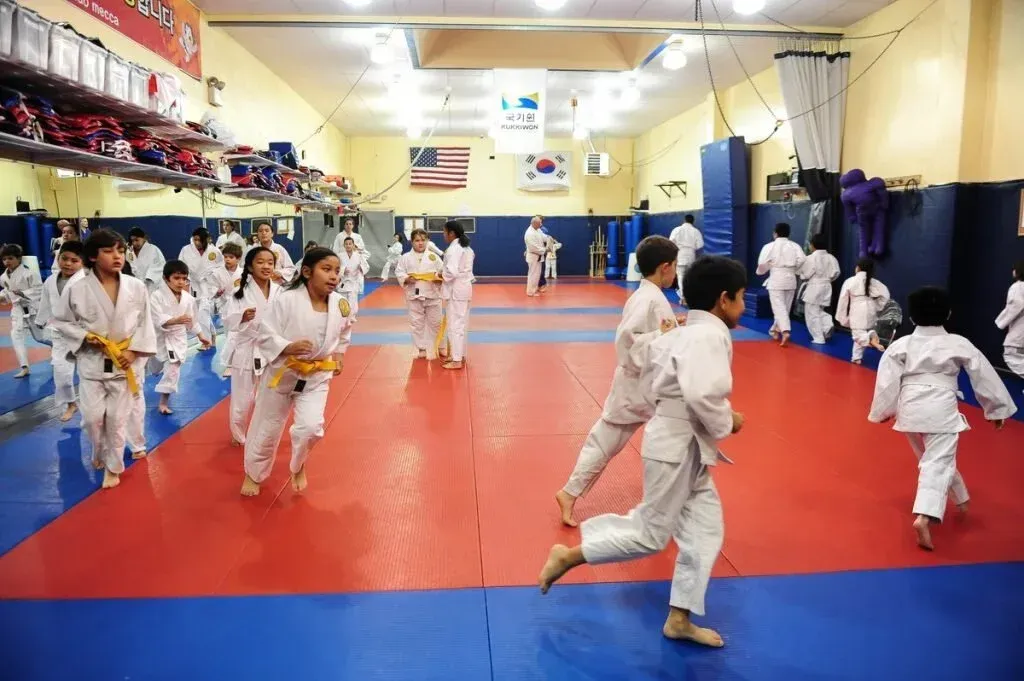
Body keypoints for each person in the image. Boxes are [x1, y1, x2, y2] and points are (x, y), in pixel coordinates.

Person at [539, 255, 747, 649]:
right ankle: (568, 556)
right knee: (651, 535)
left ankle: (680, 617)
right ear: (723, 299)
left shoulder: (679, 334)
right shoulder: (709, 336)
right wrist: (727, 420)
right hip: (675, 446)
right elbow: (704, 393)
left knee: (704, 530)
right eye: (740, 297)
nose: (741, 305)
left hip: (681, 443)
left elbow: (655, 382)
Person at [868, 286, 1016, 550]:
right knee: (937, 461)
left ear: (911, 318)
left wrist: (883, 411)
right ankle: (925, 515)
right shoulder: (958, 343)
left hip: (910, 408)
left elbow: (887, 381)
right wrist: (996, 409)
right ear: (948, 314)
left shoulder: (901, 345)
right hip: (940, 408)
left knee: (934, 459)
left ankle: (961, 497)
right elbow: (983, 375)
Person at [555, 236, 686, 527]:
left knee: (610, 442)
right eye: (675, 266)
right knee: (671, 442)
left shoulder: (651, 296)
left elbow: (650, 334)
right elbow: (628, 345)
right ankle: (667, 507)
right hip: (642, 387)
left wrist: (673, 327)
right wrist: (665, 335)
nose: (676, 272)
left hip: (646, 388)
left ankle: (570, 492)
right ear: (665, 267)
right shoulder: (648, 298)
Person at [241, 247, 354, 497]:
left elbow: (345, 331)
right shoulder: (286, 300)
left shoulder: (341, 304)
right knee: (267, 429)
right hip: (282, 374)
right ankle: (253, 474)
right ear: (306, 272)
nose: (334, 276)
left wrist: (340, 353)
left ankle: (297, 463)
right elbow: (265, 333)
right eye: (326, 270)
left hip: (316, 376)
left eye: (337, 271)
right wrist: (287, 347)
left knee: (311, 428)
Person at [51, 229, 157, 489]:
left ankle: (113, 466)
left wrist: (134, 352)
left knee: (118, 420)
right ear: (93, 256)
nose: (117, 256)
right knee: (92, 419)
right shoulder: (77, 287)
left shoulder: (136, 286)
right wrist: (84, 336)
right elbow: (62, 322)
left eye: (120, 250)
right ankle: (97, 450)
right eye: (109, 251)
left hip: (124, 361)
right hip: (92, 362)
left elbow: (145, 324)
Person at [223, 246, 280, 446]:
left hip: (270, 350)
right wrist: (242, 317)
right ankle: (238, 433)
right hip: (246, 348)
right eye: (260, 262)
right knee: (242, 398)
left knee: (269, 396)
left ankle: (262, 433)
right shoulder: (240, 291)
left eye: (270, 262)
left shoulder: (279, 290)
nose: (266, 266)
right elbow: (227, 321)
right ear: (249, 265)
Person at [151, 260, 211, 415]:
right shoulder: (156, 296)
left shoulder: (188, 299)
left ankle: (163, 402)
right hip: (160, 336)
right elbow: (155, 319)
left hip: (178, 338)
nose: (181, 282)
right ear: (166, 278)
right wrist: (174, 320)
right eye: (177, 278)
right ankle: (156, 369)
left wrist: (201, 336)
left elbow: (192, 320)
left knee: (173, 369)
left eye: (184, 279)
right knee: (156, 367)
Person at [36, 241, 86, 421]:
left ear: (83, 263)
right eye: (64, 259)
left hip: (83, 335)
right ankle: (71, 403)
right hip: (60, 333)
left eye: (74, 261)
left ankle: (91, 404)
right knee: (61, 372)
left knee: (88, 374)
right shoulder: (50, 280)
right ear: (58, 257)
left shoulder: (87, 281)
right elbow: (45, 302)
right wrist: (40, 321)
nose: (68, 264)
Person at [395, 228, 444, 360]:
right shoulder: (405, 258)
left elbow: (443, 271)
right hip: (413, 293)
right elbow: (399, 272)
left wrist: (439, 278)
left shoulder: (434, 257)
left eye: (423, 240)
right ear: (412, 242)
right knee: (417, 323)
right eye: (417, 240)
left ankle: (438, 345)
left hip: (432, 293)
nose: (420, 243)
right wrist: (406, 278)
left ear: (428, 241)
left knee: (436, 321)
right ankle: (421, 348)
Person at [756, 222, 805, 346]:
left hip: (777, 278)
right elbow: (803, 260)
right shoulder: (795, 246)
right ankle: (775, 330)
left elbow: (762, 263)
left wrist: (765, 268)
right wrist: (795, 269)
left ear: (775, 233)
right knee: (785, 308)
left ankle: (785, 331)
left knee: (779, 307)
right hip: (791, 279)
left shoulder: (769, 246)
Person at [1, 243, 43, 378]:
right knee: (16, 336)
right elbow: (7, 295)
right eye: (4, 259)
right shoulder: (3, 277)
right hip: (17, 310)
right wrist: (2, 297)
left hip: (32, 309)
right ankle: (24, 366)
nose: (7, 261)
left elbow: (39, 290)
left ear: (19, 259)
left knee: (40, 337)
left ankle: (59, 346)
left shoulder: (30, 273)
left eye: (10, 258)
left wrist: (23, 293)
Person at [837, 258, 890, 364]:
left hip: (857, 309)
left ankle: (871, 338)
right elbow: (886, 296)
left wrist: (842, 317)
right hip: (871, 309)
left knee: (858, 335)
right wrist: (878, 307)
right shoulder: (875, 282)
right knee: (862, 332)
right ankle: (856, 357)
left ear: (858, 268)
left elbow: (843, 300)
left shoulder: (850, 281)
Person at [178, 227, 224, 344]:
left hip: (209, 285)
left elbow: (221, 268)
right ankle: (212, 334)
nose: (197, 242)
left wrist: (219, 286)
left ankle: (206, 341)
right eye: (195, 240)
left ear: (205, 240)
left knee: (203, 312)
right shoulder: (186, 250)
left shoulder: (214, 251)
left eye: (199, 240)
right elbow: (181, 266)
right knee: (200, 313)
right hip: (194, 285)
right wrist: (184, 283)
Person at [440, 221, 475, 370]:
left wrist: (439, 274)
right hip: (464, 289)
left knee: (455, 325)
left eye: (444, 232)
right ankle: (459, 355)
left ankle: (456, 360)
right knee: (461, 324)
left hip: (455, 290)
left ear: (451, 233)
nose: (443, 235)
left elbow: (451, 272)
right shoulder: (467, 248)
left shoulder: (454, 249)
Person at [798, 233, 841, 345]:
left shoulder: (810, 258)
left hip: (814, 286)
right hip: (827, 286)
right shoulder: (832, 258)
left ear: (812, 245)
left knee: (811, 313)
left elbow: (805, 275)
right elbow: (836, 273)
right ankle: (827, 324)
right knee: (818, 310)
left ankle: (819, 338)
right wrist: (828, 280)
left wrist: (803, 276)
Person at [995, 260, 1024, 383]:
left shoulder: (1018, 286)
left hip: (1018, 334)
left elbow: (1016, 304)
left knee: (1011, 356)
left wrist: (1000, 322)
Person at [668, 215, 704, 304]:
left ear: (684, 220)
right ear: (693, 221)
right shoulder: (696, 231)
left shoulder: (677, 230)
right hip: (691, 255)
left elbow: (670, 242)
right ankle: (690, 296)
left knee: (680, 276)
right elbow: (700, 245)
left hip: (680, 254)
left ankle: (684, 297)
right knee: (690, 277)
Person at [332, 218, 371, 292]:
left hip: (354, 259)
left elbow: (362, 247)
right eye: (346, 224)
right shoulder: (339, 236)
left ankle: (357, 290)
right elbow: (335, 249)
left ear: (353, 226)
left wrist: (355, 246)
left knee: (356, 283)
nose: (348, 226)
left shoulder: (357, 236)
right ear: (344, 225)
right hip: (343, 260)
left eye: (350, 224)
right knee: (342, 284)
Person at [127, 228, 167, 292]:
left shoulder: (153, 249)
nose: (134, 243)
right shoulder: (129, 252)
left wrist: (148, 278)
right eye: (132, 241)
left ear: (144, 238)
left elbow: (160, 266)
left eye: (137, 240)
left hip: (150, 285)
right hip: (134, 285)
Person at [338, 236, 369, 316]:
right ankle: (343, 317)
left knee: (353, 302)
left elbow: (366, 267)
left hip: (354, 282)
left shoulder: (358, 256)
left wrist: (361, 268)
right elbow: (335, 267)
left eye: (350, 244)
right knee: (343, 302)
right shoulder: (339, 256)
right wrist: (342, 270)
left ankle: (351, 317)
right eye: (346, 244)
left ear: (353, 245)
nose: (348, 245)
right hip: (343, 282)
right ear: (344, 245)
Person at [524, 216, 547, 297]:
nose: (541, 224)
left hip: (538, 257)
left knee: (537, 274)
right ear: (534, 223)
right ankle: (530, 292)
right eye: (539, 223)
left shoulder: (537, 229)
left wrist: (549, 239)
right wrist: (545, 250)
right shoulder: (529, 233)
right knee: (533, 274)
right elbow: (533, 248)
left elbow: (543, 237)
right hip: (533, 256)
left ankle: (534, 289)